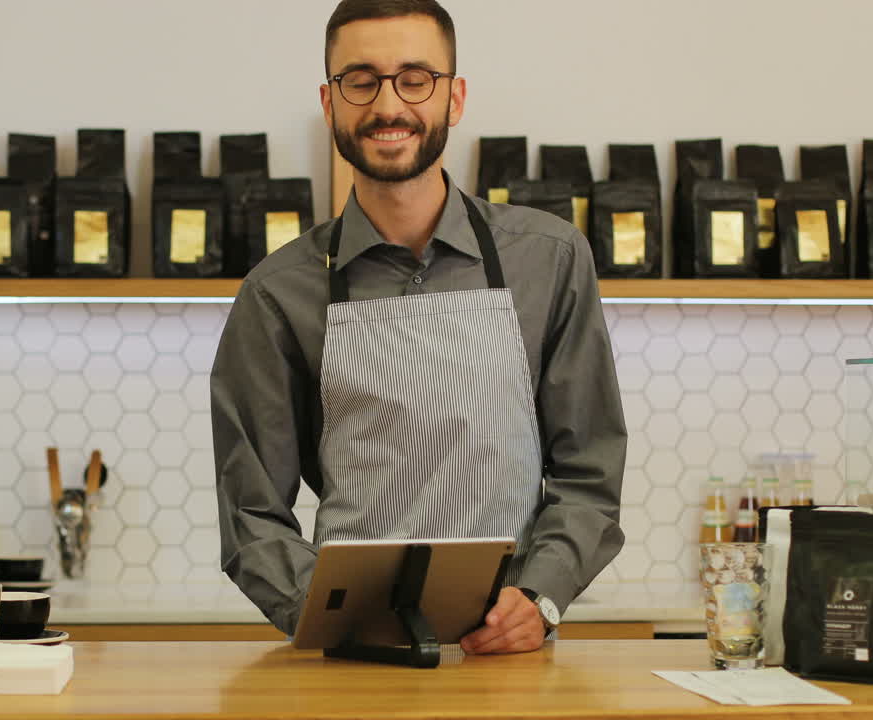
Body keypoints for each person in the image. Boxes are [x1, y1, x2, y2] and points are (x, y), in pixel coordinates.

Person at [211, 0, 626, 655]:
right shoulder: (277, 293)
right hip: (351, 661)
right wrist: (325, 615)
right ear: (330, 103)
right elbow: (250, 514)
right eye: (360, 80)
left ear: (454, 98)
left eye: (415, 78)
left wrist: (542, 597)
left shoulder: (549, 259)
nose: (388, 104)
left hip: (506, 658)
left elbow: (590, 473)